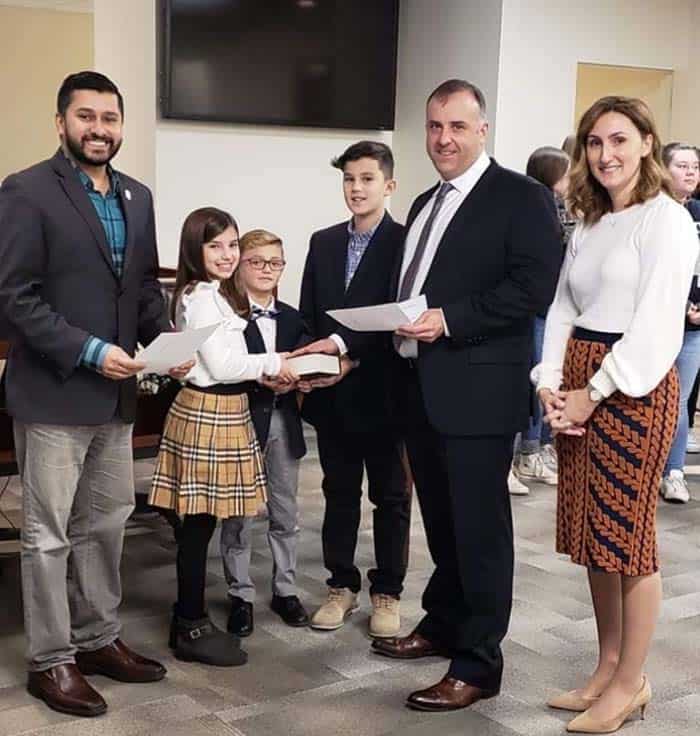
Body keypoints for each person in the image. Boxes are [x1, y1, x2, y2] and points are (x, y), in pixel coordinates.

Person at [0, 71, 193, 717]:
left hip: (116, 400)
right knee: (48, 536)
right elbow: (13, 298)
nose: (100, 129)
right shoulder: (26, 191)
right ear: (62, 123)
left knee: (106, 526)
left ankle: (97, 638)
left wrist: (168, 341)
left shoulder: (137, 197)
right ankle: (51, 662)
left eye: (110, 117)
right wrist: (89, 350)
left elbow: (140, 290)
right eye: (87, 116)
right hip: (55, 394)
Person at [371, 79, 561, 712]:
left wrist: (450, 319)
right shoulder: (425, 201)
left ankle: (478, 662)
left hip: (478, 391)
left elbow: (534, 288)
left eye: (457, 126)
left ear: (483, 130)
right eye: (434, 127)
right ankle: (444, 623)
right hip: (420, 388)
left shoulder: (521, 197)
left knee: (481, 531)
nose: (443, 139)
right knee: (444, 524)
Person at [536, 97, 697, 733]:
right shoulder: (589, 221)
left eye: (620, 140)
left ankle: (632, 683)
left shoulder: (667, 221)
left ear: (647, 143)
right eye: (595, 142)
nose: (606, 154)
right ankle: (606, 667)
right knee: (592, 537)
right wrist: (550, 384)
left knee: (628, 540)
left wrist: (591, 392)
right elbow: (560, 309)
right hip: (580, 377)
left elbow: (657, 330)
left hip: (632, 387)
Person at [149, 208, 297, 666]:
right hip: (208, 412)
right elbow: (225, 367)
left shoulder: (218, 295)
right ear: (195, 249)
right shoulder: (199, 297)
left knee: (204, 524)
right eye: (215, 246)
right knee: (196, 527)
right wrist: (276, 361)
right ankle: (189, 624)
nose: (227, 254)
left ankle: (188, 618)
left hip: (228, 412)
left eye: (233, 245)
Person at [296, 141, 409, 638]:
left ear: (388, 185)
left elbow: (400, 318)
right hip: (332, 395)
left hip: (383, 391)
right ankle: (340, 584)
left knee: (390, 497)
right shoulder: (322, 242)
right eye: (349, 179)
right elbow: (308, 314)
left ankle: (387, 590)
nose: (356, 188)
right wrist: (312, 361)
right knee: (338, 492)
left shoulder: (405, 243)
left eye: (366, 179)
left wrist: (351, 355)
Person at [220, 229, 310, 636]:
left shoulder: (292, 317)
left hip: (283, 420)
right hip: (242, 420)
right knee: (239, 514)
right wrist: (263, 375)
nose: (266, 270)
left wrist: (298, 380)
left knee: (285, 510)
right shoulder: (226, 316)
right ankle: (240, 594)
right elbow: (224, 370)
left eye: (275, 263)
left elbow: (307, 362)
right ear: (240, 265)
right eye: (256, 261)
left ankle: (285, 589)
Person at [510, 145, 574, 494]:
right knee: (533, 382)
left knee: (546, 381)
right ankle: (523, 455)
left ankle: (535, 451)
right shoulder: (535, 208)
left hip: (551, 310)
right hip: (536, 309)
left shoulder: (560, 208)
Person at [658, 142, 700, 503]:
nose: (690, 172)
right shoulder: (653, 213)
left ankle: (673, 472)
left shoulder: (698, 213)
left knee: (680, 401)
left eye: (695, 167)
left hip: (693, 331)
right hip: (656, 325)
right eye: (683, 165)